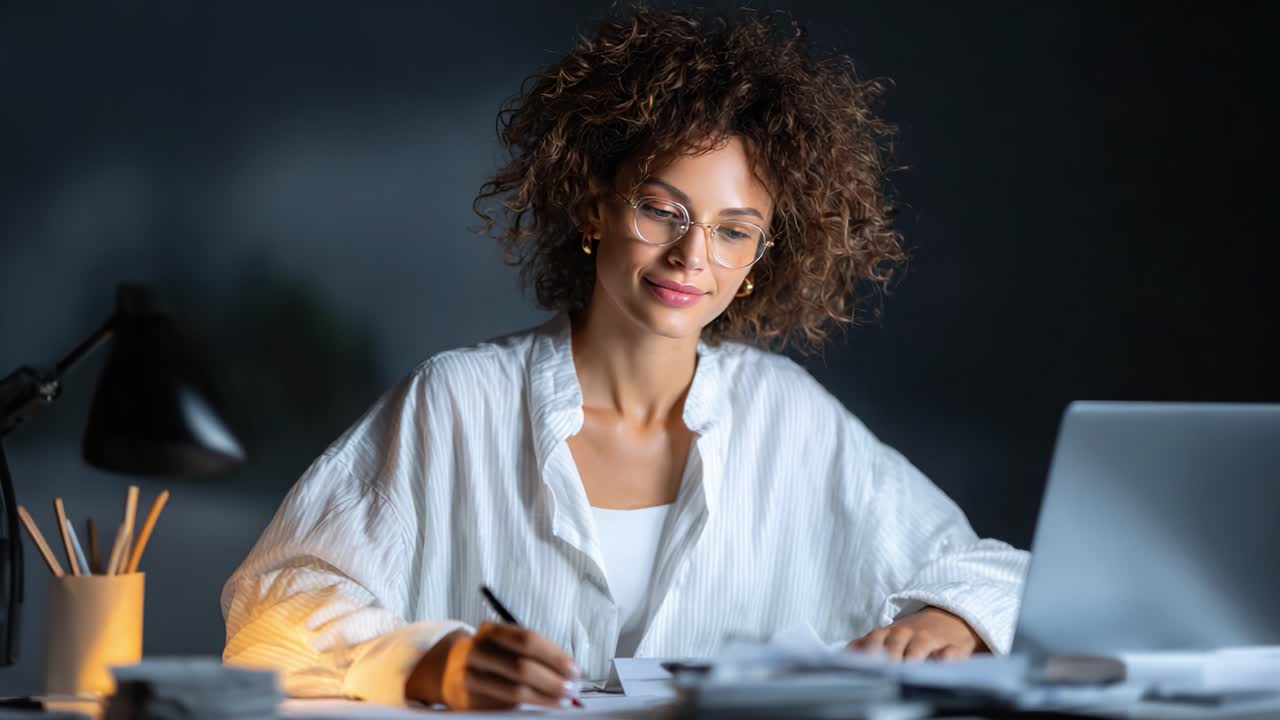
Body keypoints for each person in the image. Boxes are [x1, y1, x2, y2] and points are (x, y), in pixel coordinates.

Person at [221, 6, 1029, 711]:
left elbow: (998, 572)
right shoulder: (456, 403)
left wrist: (950, 617)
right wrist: (434, 663)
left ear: (759, 259)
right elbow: (269, 612)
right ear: (591, 203)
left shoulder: (791, 415)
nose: (692, 257)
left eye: (733, 230)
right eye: (660, 209)